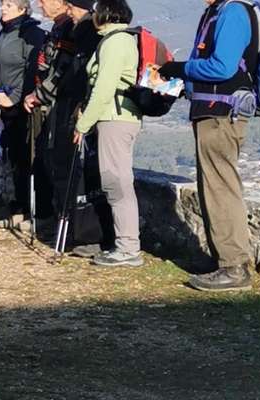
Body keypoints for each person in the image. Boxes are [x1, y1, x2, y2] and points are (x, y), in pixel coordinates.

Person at [155, 0, 258, 291]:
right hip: (213, 111)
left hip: (221, 113)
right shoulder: (219, 11)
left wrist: (180, 68)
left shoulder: (232, 12)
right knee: (213, 185)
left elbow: (222, 67)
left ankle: (233, 267)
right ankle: (224, 260)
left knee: (219, 187)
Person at [26, 0, 104, 257]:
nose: (40, 4)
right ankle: (69, 227)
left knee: (73, 170)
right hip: (66, 105)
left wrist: (41, 95)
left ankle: (81, 232)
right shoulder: (71, 29)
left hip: (73, 106)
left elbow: (68, 72)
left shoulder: (84, 31)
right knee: (61, 165)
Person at [77, 0, 145, 267]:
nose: (93, 15)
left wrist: (83, 124)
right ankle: (126, 245)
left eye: (95, 12)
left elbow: (104, 88)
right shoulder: (119, 39)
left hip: (115, 118)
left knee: (116, 182)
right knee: (117, 181)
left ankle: (128, 248)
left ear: (105, 14)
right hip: (120, 117)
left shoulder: (115, 42)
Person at [0, 0, 47, 228]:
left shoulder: (31, 34)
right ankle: (20, 207)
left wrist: (14, 98)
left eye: (8, 4)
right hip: (6, 108)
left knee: (27, 158)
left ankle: (33, 211)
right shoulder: (4, 33)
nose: (2, 8)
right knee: (15, 158)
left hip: (24, 108)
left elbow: (32, 72)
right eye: (2, 4)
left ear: (22, 9)